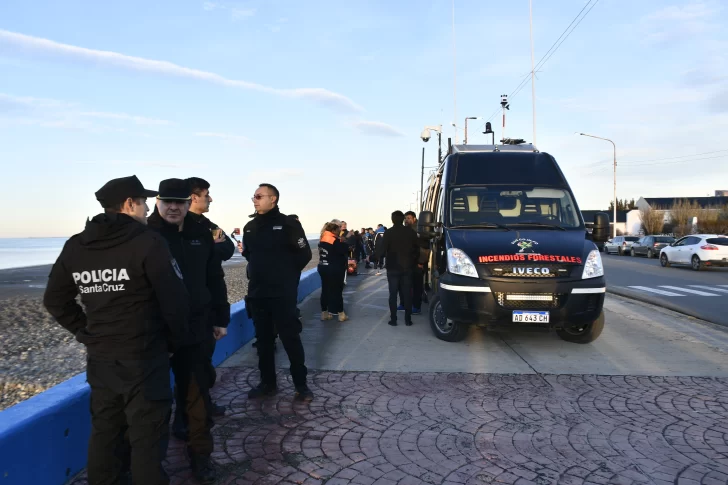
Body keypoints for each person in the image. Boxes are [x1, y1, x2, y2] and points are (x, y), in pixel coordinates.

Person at [43, 175, 190, 485]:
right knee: (147, 439)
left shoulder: (77, 245)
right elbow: (176, 304)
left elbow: (55, 300)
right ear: (129, 204)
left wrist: (84, 331)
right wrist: (173, 343)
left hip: (101, 358)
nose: (147, 208)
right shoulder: (148, 242)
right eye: (144, 202)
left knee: (105, 435)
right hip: (144, 358)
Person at [147, 178, 228, 484]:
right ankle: (150, 465)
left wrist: (221, 316)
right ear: (157, 201)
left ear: (187, 202)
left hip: (196, 329)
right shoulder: (146, 234)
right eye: (167, 201)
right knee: (153, 404)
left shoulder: (199, 233)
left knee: (197, 399)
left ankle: (201, 459)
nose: (173, 207)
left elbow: (214, 277)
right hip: (156, 332)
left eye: (179, 202)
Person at [242, 183, 314, 401]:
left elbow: (305, 254)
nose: (254, 199)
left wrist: (287, 277)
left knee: (291, 339)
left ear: (272, 199)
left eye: (259, 196)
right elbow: (250, 256)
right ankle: (267, 383)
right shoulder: (249, 227)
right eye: (253, 196)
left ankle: (301, 385)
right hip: (258, 294)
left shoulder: (289, 224)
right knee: (263, 342)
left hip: (283, 295)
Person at [185, 177, 233, 418]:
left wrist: (210, 247)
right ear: (194, 197)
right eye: (207, 195)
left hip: (209, 305)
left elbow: (229, 248)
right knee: (192, 368)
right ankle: (189, 418)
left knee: (204, 363)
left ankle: (202, 406)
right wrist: (210, 246)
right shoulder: (180, 225)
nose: (211, 199)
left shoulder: (208, 224)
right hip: (186, 308)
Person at [375, 211, 419, 327]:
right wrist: (413, 262)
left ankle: (393, 319)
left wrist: (373, 258)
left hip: (393, 268)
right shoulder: (411, 232)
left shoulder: (388, 233)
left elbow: (382, 250)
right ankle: (408, 320)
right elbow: (417, 250)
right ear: (403, 219)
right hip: (407, 268)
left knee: (393, 294)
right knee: (407, 293)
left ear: (392, 220)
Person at [318, 220, 349, 322]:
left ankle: (324, 313)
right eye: (338, 229)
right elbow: (343, 250)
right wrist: (344, 241)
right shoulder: (333, 240)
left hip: (323, 267)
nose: (340, 230)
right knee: (337, 291)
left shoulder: (323, 238)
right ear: (334, 230)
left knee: (325, 290)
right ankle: (341, 314)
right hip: (334, 268)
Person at [403, 211, 431, 315]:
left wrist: (420, 262)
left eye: (409, 218)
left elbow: (424, 247)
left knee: (416, 285)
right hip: (408, 262)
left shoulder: (419, 230)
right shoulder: (406, 230)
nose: (407, 220)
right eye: (405, 218)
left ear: (414, 219)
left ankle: (416, 306)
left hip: (417, 262)